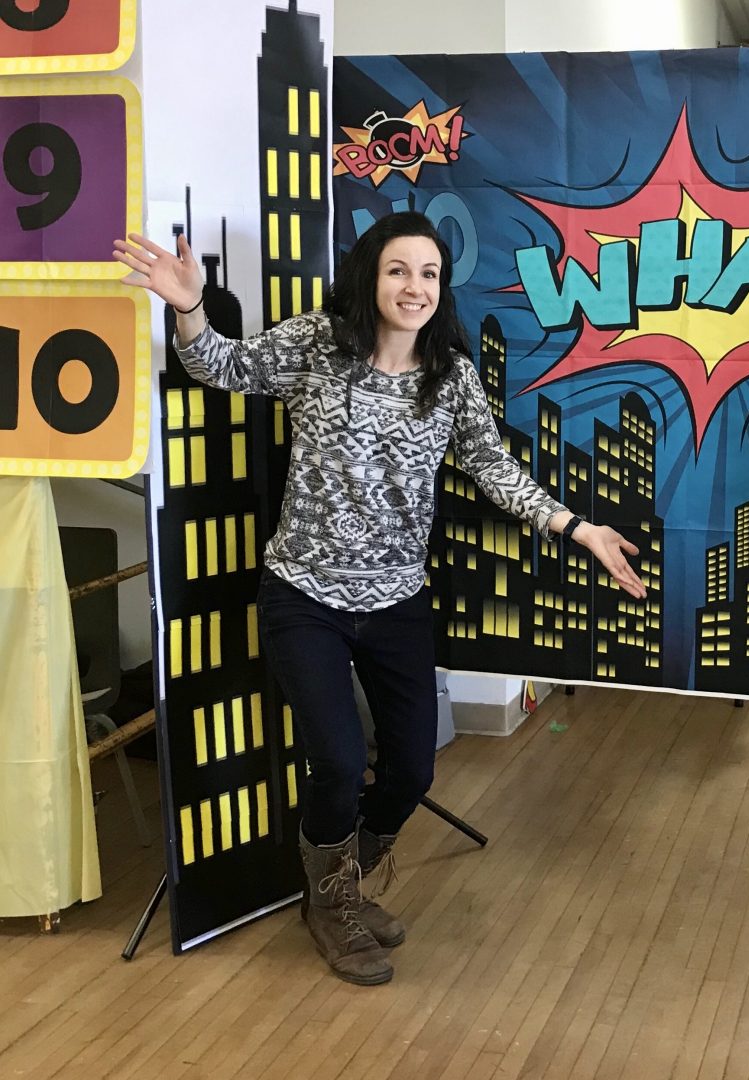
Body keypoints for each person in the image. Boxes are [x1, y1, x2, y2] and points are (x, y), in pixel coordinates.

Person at [113, 213, 646, 986]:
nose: (415, 287)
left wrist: (576, 526)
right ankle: (331, 906)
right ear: (371, 275)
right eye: (400, 270)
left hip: (397, 600)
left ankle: (340, 884)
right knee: (333, 761)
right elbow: (221, 368)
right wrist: (190, 306)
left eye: (429, 274)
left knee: (411, 773)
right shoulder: (317, 346)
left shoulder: (450, 376)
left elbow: (492, 469)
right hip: (304, 597)